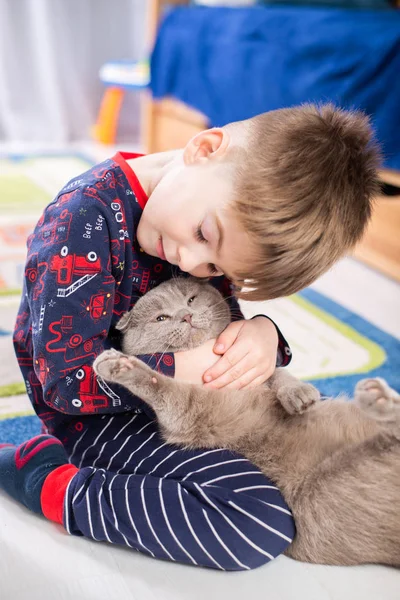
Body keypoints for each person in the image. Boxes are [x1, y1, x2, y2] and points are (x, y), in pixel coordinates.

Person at [0, 104, 379, 570]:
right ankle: (48, 477)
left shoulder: (196, 215)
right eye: (203, 233)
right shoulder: (83, 218)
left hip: (215, 412)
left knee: (342, 438)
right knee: (257, 522)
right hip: (103, 423)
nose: (192, 261)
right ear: (204, 149)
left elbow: (224, 320)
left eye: (217, 267)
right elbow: (64, 381)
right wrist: (180, 369)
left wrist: (263, 336)